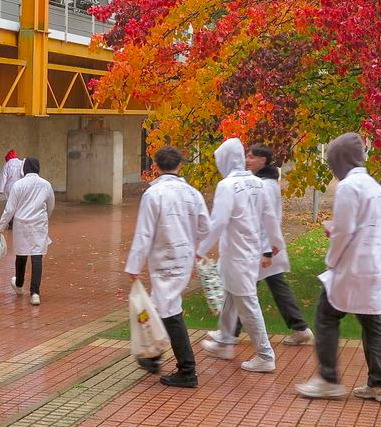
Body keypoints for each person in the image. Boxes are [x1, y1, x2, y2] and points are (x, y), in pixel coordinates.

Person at [296, 132, 381, 403]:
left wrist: (331, 260)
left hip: (351, 266)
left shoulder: (349, 187)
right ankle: (380, 384)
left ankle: (328, 379)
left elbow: (344, 231)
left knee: (326, 317)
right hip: (373, 265)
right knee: (372, 321)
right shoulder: (375, 186)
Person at [124, 145, 211, 388]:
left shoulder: (153, 195)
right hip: (182, 257)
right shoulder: (192, 193)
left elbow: (144, 233)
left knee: (169, 311)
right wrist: (192, 243)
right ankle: (153, 356)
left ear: (156, 166)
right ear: (180, 166)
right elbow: (206, 226)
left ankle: (187, 369)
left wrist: (134, 265)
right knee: (160, 306)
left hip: (164, 259)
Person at [197, 137, 282, 373]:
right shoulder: (258, 184)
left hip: (238, 255)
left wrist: (200, 249)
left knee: (247, 303)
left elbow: (218, 222)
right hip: (246, 252)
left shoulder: (227, 186)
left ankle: (265, 354)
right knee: (231, 297)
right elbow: (270, 216)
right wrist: (276, 242)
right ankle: (224, 341)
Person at [215, 144, 313, 346]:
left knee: (241, 290)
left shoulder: (265, 185)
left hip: (260, 249)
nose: (247, 160)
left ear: (264, 161)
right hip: (260, 248)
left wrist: (267, 250)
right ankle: (299, 328)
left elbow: (267, 219)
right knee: (266, 288)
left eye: (252, 157)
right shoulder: (262, 183)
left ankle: (231, 334)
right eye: (247, 156)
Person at [0, 157, 54, 306]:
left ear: (24, 168)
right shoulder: (46, 185)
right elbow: (50, 205)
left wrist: (0, 226)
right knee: (37, 257)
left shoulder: (18, 185)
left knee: (21, 255)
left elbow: (10, 209)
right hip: (39, 225)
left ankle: (19, 284)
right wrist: (44, 218)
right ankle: (35, 293)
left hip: (21, 225)